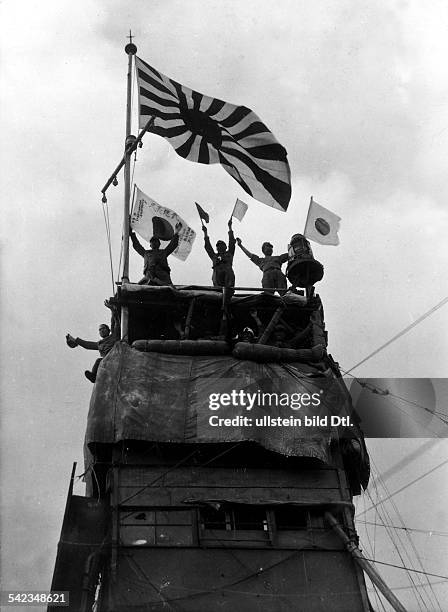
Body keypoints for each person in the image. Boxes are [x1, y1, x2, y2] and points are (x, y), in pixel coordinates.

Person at [66, 301, 119, 383]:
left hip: (115, 356)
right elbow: (87, 345)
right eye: (100, 330)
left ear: (108, 330)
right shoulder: (99, 344)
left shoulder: (114, 335)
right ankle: (93, 377)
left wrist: (112, 310)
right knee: (99, 361)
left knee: (99, 360)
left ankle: (94, 376)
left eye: (103, 328)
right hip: (107, 360)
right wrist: (74, 339)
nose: (101, 331)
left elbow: (114, 322)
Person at [202, 218, 236, 288]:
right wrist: (205, 233)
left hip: (228, 280)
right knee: (218, 293)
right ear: (216, 248)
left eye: (222, 245)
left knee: (228, 292)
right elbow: (208, 247)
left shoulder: (229, 254)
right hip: (217, 280)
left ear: (226, 247)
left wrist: (230, 227)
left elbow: (231, 242)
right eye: (218, 246)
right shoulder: (214, 256)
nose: (220, 247)